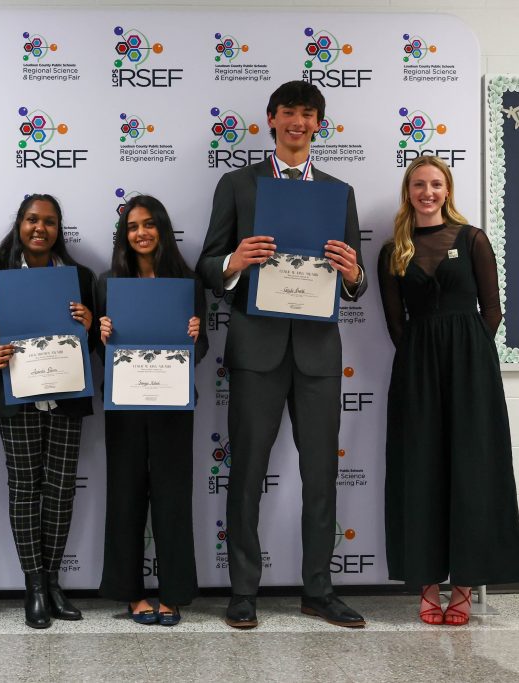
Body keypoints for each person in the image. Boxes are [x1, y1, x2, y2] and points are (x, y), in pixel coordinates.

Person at [197, 81, 367, 629]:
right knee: (246, 472)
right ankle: (243, 591)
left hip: (318, 354)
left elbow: (356, 281)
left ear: (319, 124)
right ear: (270, 119)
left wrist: (354, 273)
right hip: (256, 350)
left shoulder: (339, 192)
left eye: (308, 114)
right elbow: (207, 264)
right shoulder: (238, 184)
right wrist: (234, 261)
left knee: (321, 476)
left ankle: (319, 590)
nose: (298, 122)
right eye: (289, 112)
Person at [379, 156, 519, 625]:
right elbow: (395, 322)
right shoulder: (393, 250)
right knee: (420, 469)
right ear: (408, 192)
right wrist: (422, 357)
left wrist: (470, 353)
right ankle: (427, 586)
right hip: (417, 369)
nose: (427, 192)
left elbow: (492, 310)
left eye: (436, 184)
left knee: (472, 468)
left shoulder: (473, 239)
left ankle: (463, 586)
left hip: (471, 368)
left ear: (447, 191)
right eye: (419, 184)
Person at [0, 194, 96, 628]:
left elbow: (97, 341)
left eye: (48, 221)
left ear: (58, 229)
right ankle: (34, 587)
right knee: (25, 488)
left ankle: (53, 581)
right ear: (20, 224)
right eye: (31, 219)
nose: (39, 228)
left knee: (61, 489)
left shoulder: (80, 278)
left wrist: (89, 325)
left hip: (66, 394)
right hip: (17, 395)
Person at [96, 195, 206, 627]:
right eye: (132, 226)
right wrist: (102, 335)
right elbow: (99, 351)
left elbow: (201, 349)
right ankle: (131, 592)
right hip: (123, 402)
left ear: (162, 228)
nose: (141, 233)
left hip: (173, 402)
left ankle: (174, 592)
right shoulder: (108, 283)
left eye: (148, 224)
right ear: (124, 235)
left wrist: (195, 336)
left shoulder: (188, 282)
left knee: (173, 498)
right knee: (124, 495)